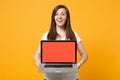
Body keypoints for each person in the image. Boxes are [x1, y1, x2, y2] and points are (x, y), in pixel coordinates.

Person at [34, 5, 88, 80]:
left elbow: (84, 54)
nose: (59, 17)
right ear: (53, 17)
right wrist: (39, 64)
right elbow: (37, 54)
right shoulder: (47, 35)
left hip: (71, 78)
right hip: (50, 78)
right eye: (56, 14)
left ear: (67, 17)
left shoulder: (73, 34)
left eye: (63, 14)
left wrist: (78, 64)